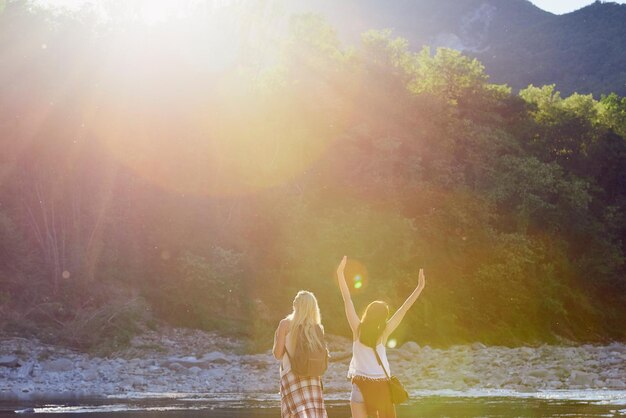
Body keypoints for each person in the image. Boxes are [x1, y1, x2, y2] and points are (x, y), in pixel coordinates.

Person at [336, 256, 426, 418]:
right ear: (382, 318)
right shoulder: (384, 333)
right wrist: (419, 287)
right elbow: (404, 309)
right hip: (381, 388)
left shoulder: (357, 329)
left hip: (360, 387)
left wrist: (340, 273)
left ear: (368, 313)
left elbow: (347, 299)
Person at [273, 290, 328, 418]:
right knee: (314, 413)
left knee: (296, 414)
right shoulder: (318, 328)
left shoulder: (285, 324)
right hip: (314, 376)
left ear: (295, 305)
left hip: (292, 375)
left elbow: (277, 354)